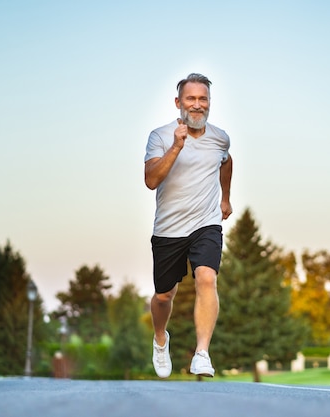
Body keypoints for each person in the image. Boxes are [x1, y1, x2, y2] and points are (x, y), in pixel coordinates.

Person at [144, 73, 233, 378]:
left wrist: (225, 199)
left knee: (206, 278)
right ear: (178, 102)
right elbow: (151, 180)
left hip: (206, 223)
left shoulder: (220, 138)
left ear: (209, 103)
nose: (197, 105)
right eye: (191, 99)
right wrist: (176, 148)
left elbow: (226, 161)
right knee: (164, 296)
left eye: (203, 99)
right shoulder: (160, 136)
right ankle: (160, 338)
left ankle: (202, 353)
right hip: (169, 228)